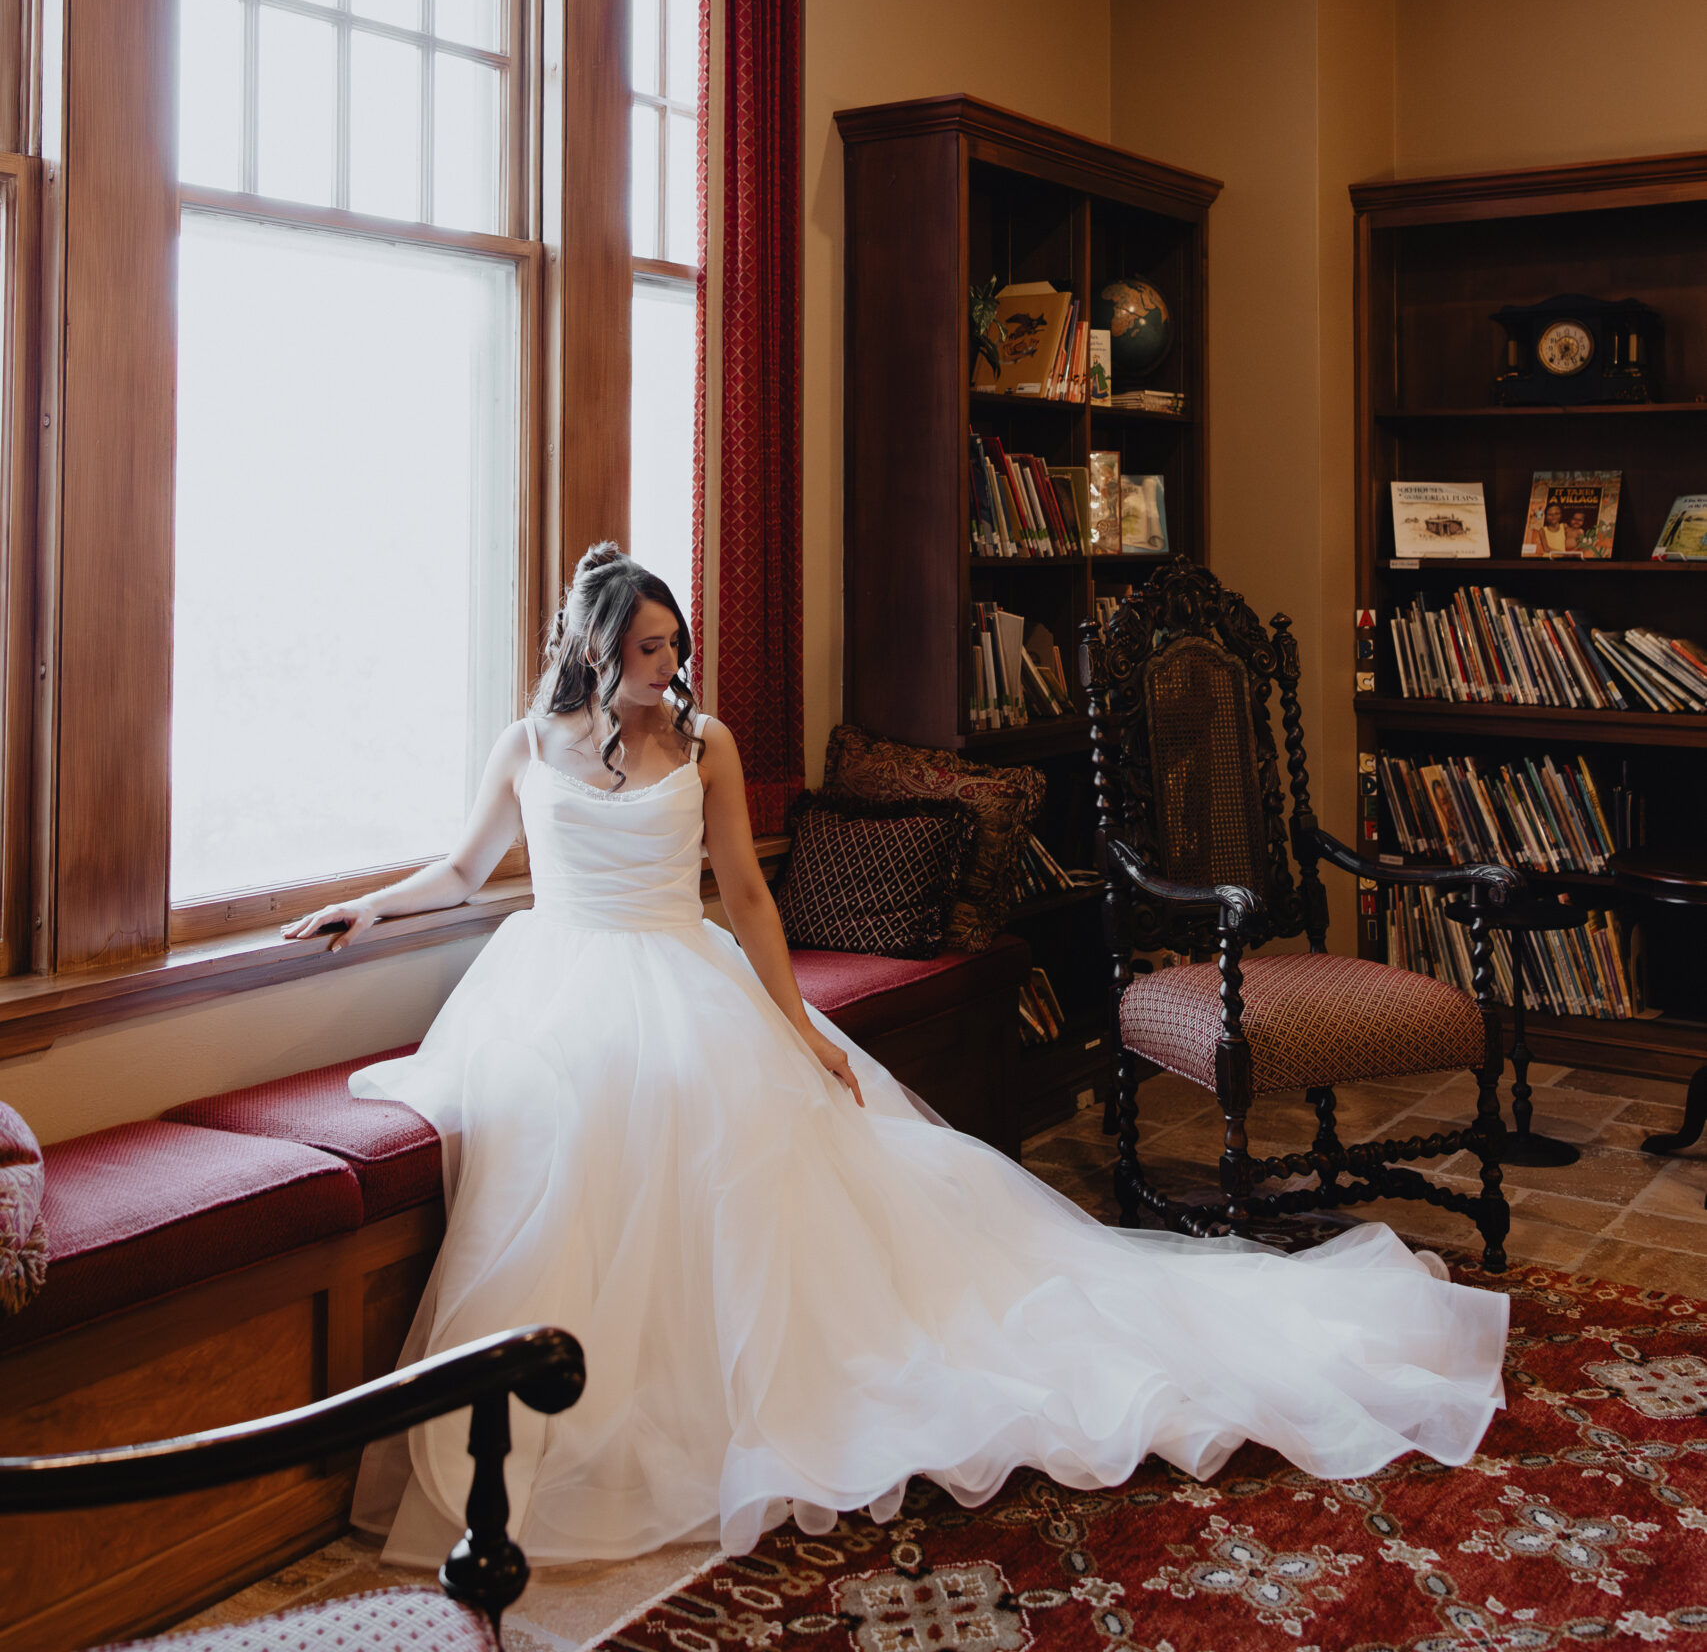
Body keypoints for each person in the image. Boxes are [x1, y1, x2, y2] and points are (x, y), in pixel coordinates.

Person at [284, 542, 1508, 1569]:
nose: (668, 667)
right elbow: (461, 869)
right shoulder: (525, 743)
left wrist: (790, 1028)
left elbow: (750, 902)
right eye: (647, 648)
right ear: (595, 646)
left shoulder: (701, 742)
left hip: (680, 975)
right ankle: (581, 1414)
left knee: (747, 1161)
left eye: (673, 645)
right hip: (551, 987)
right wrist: (368, 910)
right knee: (564, 1166)